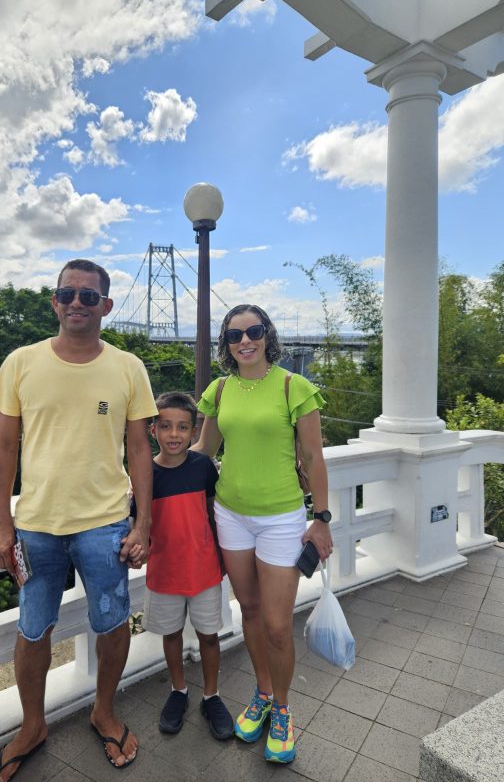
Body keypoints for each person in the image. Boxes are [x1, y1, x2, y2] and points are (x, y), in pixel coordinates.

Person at [0, 259, 158, 781]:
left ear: (106, 305)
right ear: (54, 303)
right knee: (33, 629)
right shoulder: (21, 362)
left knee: (112, 622)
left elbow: (139, 449)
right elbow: (4, 446)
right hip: (36, 525)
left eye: (88, 296)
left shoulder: (129, 367)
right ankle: (32, 725)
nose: (77, 303)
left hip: (105, 523)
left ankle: (103, 710)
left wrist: (142, 524)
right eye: (67, 294)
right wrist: (0, 524)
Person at [193, 304, 333, 764]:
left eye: (253, 331)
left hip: (281, 518)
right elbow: (204, 450)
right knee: (249, 610)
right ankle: (263, 694)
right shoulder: (219, 390)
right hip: (230, 513)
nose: (244, 341)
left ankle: (285, 710)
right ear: (226, 345)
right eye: (234, 336)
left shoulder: (295, 387)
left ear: (267, 335)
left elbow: (313, 458)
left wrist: (323, 518)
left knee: (276, 625)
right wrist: (152, 472)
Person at [132, 391, 234, 740]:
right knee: (171, 635)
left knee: (209, 636)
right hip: (163, 573)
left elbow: (212, 513)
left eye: (182, 427)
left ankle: (211, 695)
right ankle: (179, 690)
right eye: (166, 426)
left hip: (204, 570)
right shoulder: (145, 474)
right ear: (153, 430)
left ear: (193, 432)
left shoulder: (202, 466)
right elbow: (139, 524)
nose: (174, 434)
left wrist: (222, 558)